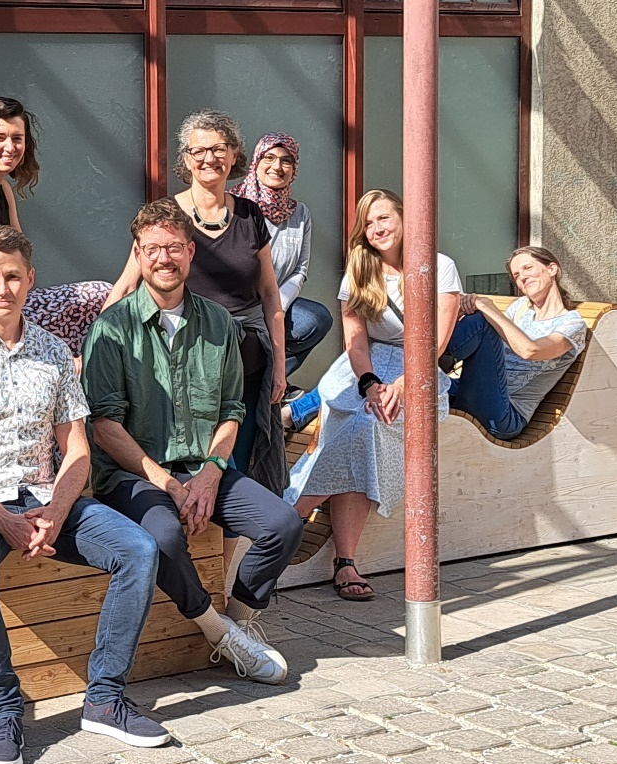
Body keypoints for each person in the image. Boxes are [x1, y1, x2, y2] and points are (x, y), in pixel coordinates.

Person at [0, 226, 167, 764]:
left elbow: (76, 447)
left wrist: (56, 509)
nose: (2, 288)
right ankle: (4, 712)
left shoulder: (55, 352)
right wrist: (0, 518)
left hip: (47, 496)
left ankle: (104, 698)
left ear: (30, 280)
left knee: (138, 550)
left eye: (13, 276)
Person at [85, 199, 302, 686]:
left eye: (175, 248)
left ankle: (242, 624)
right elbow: (105, 426)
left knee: (283, 523)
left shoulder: (219, 323)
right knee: (161, 537)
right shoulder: (110, 329)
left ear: (190, 253)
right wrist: (167, 482)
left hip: (204, 467)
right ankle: (216, 632)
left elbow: (231, 410)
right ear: (138, 256)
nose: (165, 259)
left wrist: (209, 473)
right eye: (153, 249)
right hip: (134, 475)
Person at [284, 190, 462, 601]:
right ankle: (344, 560)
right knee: (357, 430)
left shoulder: (440, 267)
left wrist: (403, 383)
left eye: (384, 218)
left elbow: (436, 338)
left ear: (404, 218)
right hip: (363, 369)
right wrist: (368, 382)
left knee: (368, 428)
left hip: (417, 368)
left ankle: (289, 514)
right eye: (369, 222)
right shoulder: (360, 269)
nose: (378, 228)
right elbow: (355, 338)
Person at [105, 110, 287, 497]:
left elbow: (270, 294)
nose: (210, 159)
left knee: (242, 467)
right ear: (186, 159)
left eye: (219, 149)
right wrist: (96, 346)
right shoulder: (167, 217)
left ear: (234, 154)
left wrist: (280, 366)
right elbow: (126, 283)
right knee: (200, 468)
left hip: (247, 364)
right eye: (199, 150)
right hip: (187, 366)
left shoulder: (250, 214)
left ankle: (227, 559)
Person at [0, 97, 112, 356]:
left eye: (17, 138)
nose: (10, 147)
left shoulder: (1, 185)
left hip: (12, 289)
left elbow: (21, 252)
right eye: (0, 137)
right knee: (97, 295)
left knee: (102, 297)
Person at [443, 246, 587, 440]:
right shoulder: (520, 308)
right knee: (422, 387)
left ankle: (425, 361)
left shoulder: (572, 323)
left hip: (504, 415)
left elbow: (531, 351)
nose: (522, 278)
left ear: (552, 269)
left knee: (481, 322)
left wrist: (486, 307)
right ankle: (419, 365)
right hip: (472, 391)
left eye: (528, 268)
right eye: (517, 275)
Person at [229, 132, 334, 387]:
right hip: (237, 304)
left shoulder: (300, 213)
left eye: (286, 161)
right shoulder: (235, 205)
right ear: (256, 162)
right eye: (269, 157)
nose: (277, 167)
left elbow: (300, 269)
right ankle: (242, 385)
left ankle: (273, 381)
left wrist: (278, 306)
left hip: (277, 304)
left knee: (317, 318)